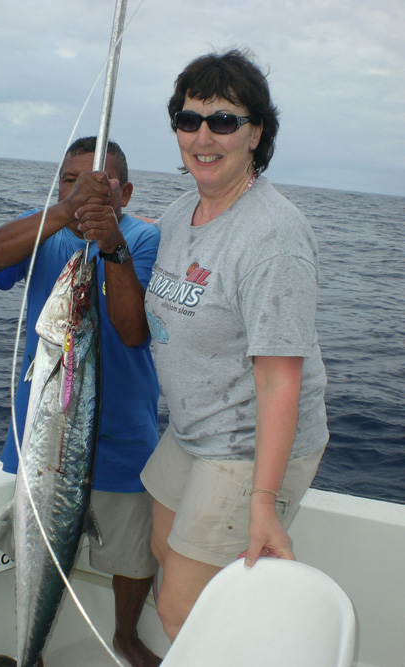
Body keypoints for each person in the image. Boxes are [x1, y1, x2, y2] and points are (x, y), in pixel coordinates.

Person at [140, 49, 330, 642]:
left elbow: (280, 380)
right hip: (193, 428)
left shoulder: (272, 235)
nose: (203, 135)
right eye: (188, 118)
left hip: (248, 443)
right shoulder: (178, 213)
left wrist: (262, 500)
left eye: (223, 120)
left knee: (181, 611)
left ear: (256, 134)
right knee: (161, 555)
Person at [0, 137, 162, 667]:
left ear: (124, 192)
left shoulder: (143, 237)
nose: (82, 192)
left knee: (133, 549)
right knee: (34, 541)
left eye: (99, 185)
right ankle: (29, 651)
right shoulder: (45, 228)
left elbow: (132, 333)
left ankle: (125, 637)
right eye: (69, 181)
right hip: (41, 432)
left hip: (125, 434)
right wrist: (64, 211)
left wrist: (110, 246)